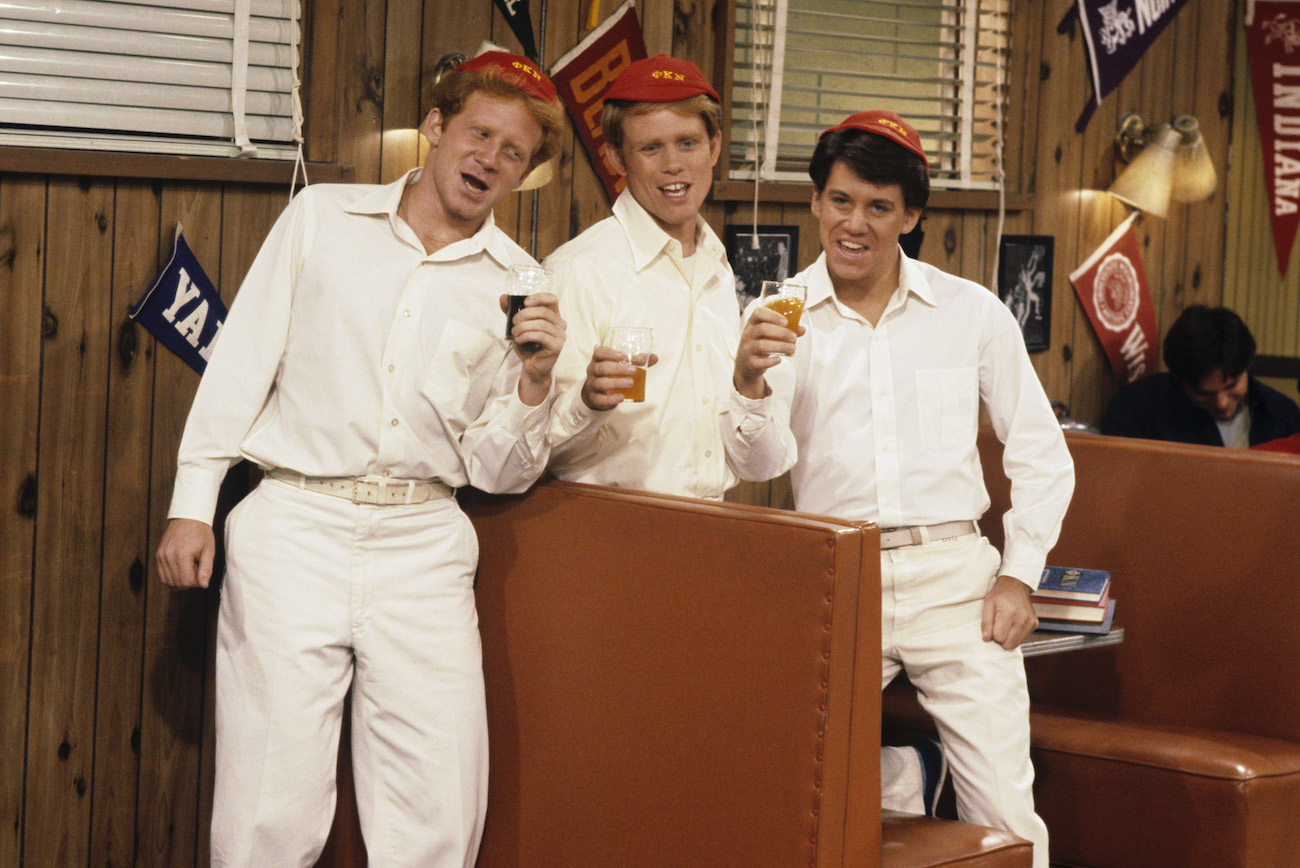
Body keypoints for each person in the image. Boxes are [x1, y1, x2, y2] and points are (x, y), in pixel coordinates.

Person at [154, 52, 567, 867]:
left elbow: (494, 470)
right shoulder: (321, 218)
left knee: (437, 804)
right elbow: (243, 364)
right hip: (292, 525)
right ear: (439, 128)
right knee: (267, 805)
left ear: (524, 173)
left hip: (424, 543)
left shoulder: (524, 282)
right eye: (479, 133)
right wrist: (192, 503)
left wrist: (536, 382)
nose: (489, 158)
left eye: (513, 152)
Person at [722, 110, 1074, 868]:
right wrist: (748, 382)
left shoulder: (972, 312)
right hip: (837, 576)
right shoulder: (777, 314)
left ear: (910, 217)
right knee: (784, 772)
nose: (856, 224)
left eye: (879, 207)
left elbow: (1042, 452)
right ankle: (900, 773)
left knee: (1006, 810)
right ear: (816, 202)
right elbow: (760, 466)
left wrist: (1019, 576)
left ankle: (903, 773)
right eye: (841, 201)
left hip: (957, 578)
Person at [543, 54, 740, 498]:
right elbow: (534, 452)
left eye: (687, 142)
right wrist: (586, 403)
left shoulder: (718, 268)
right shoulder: (577, 271)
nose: (674, 164)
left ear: (714, 147)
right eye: (651, 148)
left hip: (715, 531)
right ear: (616, 157)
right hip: (609, 533)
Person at [1101, 304, 1300, 447]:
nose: (1221, 403)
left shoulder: (1283, 414)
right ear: (1179, 380)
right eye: (1204, 394)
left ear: (1247, 367)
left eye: (1232, 386)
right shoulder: (1138, 408)